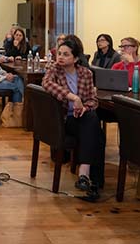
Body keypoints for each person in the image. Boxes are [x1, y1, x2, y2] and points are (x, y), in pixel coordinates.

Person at [42, 39, 105, 198]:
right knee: (97, 132)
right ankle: (92, 179)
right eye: (60, 53)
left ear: (76, 58)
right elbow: (47, 83)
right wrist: (73, 98)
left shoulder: (86, 73)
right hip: (64, 120)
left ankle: (86, 176)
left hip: (81, 117)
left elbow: (92, 99)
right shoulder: (54, 69)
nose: (61, 57)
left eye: (66, 54)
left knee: (91, 119)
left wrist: (84, 107)